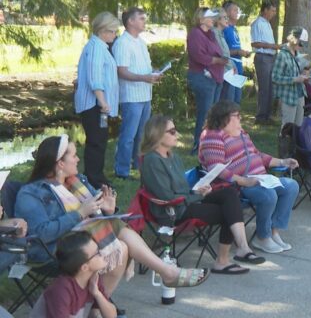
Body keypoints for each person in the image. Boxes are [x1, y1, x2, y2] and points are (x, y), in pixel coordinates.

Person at [16, 135, 209, 297]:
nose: (77, 160)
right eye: (73, 156)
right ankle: (166, 273)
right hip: (53, 251)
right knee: (119, 236)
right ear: (59, 163)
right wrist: (80, 212)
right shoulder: (31, 193)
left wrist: (108, 210)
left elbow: (98, 215)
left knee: (122, 246)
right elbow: (41, 234)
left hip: (85, 240)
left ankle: (96, 307)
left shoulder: (77, 182)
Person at [140, 114, 262, 273]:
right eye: (172, 131)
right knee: (228, 212)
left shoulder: (173, 157)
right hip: (172, 210)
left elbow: (181, 189)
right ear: (157, 134)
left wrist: (199, 191)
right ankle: (222, 262)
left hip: (186, 200)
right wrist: (197, 195)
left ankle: (242, 247)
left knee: (229, 194)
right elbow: (167, 197)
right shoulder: (152, 161)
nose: (177, 135)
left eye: (176, 130)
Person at [199, 101, 299, 254]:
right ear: (224, 118)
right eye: (237, 116)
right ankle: (262, 237)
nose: (240, 119)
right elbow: (216, 169)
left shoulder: (241, 133)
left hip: (260, 178)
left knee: (291, 186)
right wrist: (245, 181)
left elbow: (257, 155)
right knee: (268, 194)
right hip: (237, 185)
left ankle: (273, 231)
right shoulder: (212, 136)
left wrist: (282, 161)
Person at [112, 7, 160, 181]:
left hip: (145, 94)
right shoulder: (122, 43)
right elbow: (122, 71)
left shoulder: (140, 41)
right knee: (128, 135)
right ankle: (121, 170)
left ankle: (137, 164)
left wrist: (153, 73)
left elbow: (142, 67)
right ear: (130, 21)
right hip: (131, 97)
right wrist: (144, 77)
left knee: (141, 134)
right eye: (141, 18)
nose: (144, 21)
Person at [74, 12, 120, 188]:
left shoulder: (100, 46)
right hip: (94, 104)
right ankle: (94, 179)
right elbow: (95, 77)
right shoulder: (95, 48)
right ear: (103, 31)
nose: (115, 35)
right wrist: (102, 101)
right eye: (113, 31)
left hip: (98, 104)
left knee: (99, 140)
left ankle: (96, 176)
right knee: (96, 141)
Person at [30, 231, 117, 318]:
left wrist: (97, 294)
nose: (102, 253)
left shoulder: (92, 279)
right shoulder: (61, 290)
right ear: (85, 267)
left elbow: (112, 315)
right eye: (97, 253)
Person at [187, 7, 229, 151]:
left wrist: (222, 59)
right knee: (205, 112)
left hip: (215, 77)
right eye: (210, 17)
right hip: (202, 78)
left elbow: (217, 51)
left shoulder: (210, 34)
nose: (213, 19)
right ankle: (198, 145)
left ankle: (210, 143)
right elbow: (198, 56)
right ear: (201, 19)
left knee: (213, 113)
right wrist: (217, 61)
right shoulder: (195, 34)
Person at [272, 27, 310, 126]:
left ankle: (294, 142)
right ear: (294, 40)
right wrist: (295, 79)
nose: (301, 47)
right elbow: (275, 77)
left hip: (300, 94)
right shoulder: (282, 55)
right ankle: (284, 142)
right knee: (287, 127)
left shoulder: (297, 54)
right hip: (288, 96)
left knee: (298, 126)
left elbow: (296, 71)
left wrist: (304, 74)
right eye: (300, 44)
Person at [250, 0, 280, 124]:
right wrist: (272, 46)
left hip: (270, 57)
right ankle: (261, 117)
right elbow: (255, 43)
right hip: (263, 57)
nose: (274, 13)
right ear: (265, 10)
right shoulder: (258, 23)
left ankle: (267, 115)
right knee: (264, 88)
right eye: (272, 10)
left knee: (270, 87)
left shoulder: (267, 23)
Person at [221, 0, 252, 104]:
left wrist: (243, 53)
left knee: (237, 101)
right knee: (229, 103)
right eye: (235, 10)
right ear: (227, 12)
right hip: (229, 70)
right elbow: (221, 51)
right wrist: (238, 52)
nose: (238, 12)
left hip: (238, 69)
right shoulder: (224, 29)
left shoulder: (234, 29)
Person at [211, 9, 237, 101]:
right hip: (223, 74)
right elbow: (221, 54)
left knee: (229, 104)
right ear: (218, 20)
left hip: (227, 73)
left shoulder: (221, 34)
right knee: (224, 106)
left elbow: (226, 54)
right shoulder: (214, 33)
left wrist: (233, 66)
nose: (228, 19)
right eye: (225, 17)